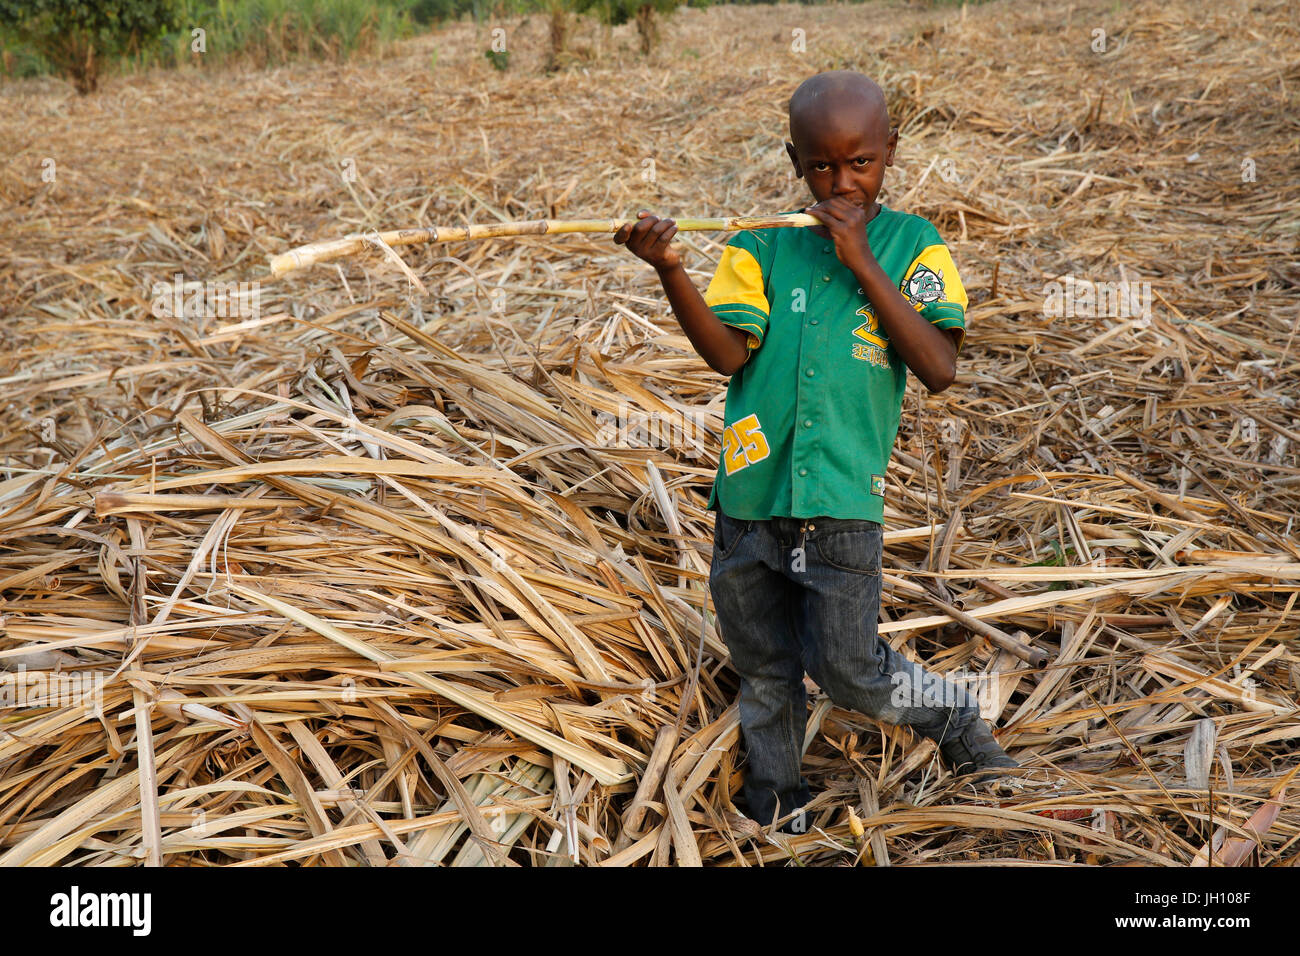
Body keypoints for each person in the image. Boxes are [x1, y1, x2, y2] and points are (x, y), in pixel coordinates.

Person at [614, 70, 1020, 834]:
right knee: (765, 669)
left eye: (859, 163)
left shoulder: (912, 246)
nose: (841, 182)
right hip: (749, 505)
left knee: (851, 670)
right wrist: (671, 269)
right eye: (821, 165)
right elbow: (729, 358)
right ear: (793, 159)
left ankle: (957, 724)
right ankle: (778, 800)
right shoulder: (760, 243)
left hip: (839, 508)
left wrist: (863, 256)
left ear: (890, 151)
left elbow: (939, 368)